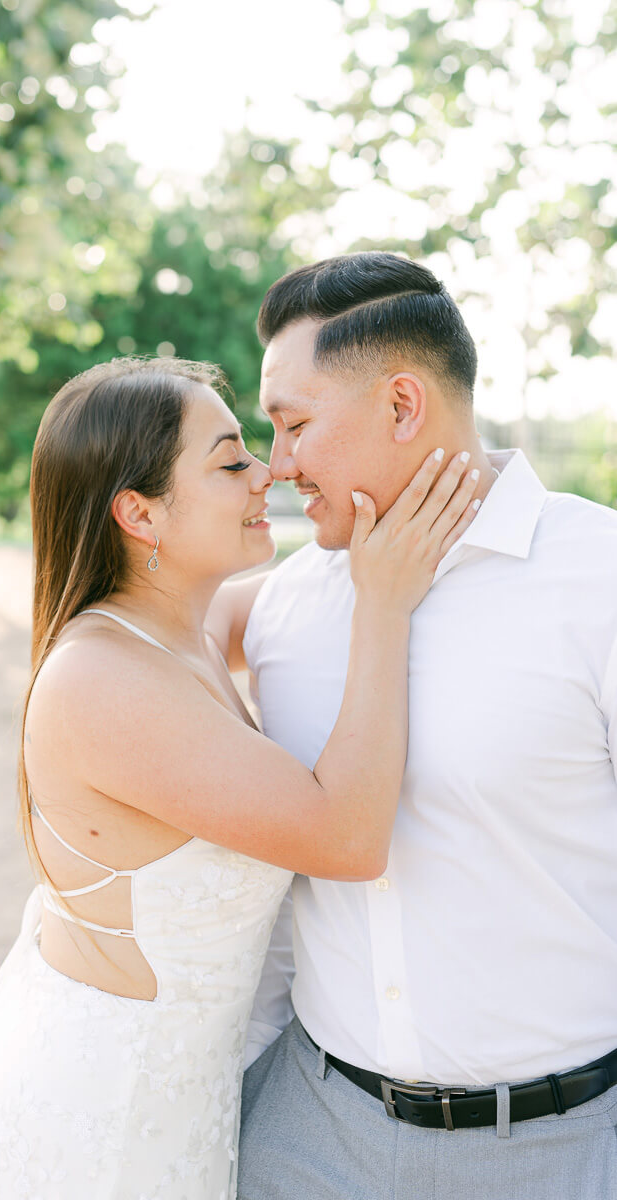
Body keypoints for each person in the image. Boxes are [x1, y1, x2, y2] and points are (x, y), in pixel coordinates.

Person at [0, 355, 477, 1199]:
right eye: (230, 461)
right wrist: (383, 606)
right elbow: (347, 837)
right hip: (90, 1128)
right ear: (138, 513)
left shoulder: (183, 628)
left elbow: (301, 600)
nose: (269, 474)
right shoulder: (101, 682)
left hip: (174, 1115)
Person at [231, 252, 617, 1200]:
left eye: (294, 424)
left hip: (564, 1153)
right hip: (306, 1141)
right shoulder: (286, 605)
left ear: (403, 406)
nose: (276, 465)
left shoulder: (599, 581)